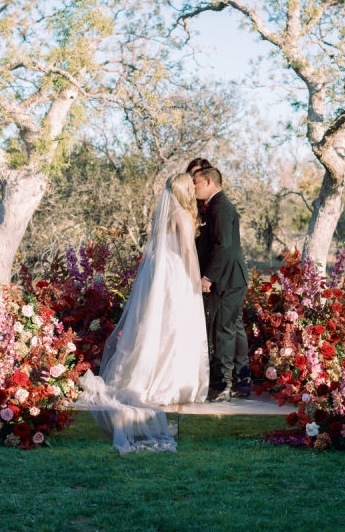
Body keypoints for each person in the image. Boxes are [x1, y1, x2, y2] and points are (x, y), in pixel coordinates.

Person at [77, 174, 209, 453]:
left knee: (156, 327)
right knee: (175, 328)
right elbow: (187, 251)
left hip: (160, 276)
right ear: (186, 190)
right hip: (176, 276)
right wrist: (196, 281)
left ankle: (147, 377)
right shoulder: (183, 215)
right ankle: (169, 384)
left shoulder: (162, 215)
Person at [191, 166, 250, 401]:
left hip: (228, 278)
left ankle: (222, 386)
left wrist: (209, 277)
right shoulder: (214, 207)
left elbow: (224, 247)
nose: (193, 187)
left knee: (224, 330)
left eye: (195, 182)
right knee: (229, 328)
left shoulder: (221, 208)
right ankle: (239, 383)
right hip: (229, 277)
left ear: (207, 182)